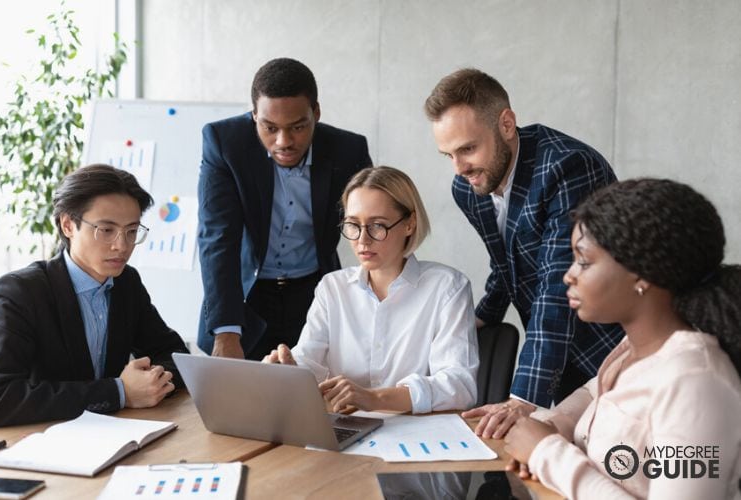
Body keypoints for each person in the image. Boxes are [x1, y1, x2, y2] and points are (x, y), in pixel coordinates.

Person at [503, 178, 741, 499]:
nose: (568, 275)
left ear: (642, 273)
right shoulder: (634, 347)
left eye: (584, 261)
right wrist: (552, 423)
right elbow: (597, 394)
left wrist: (547, 452)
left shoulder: (695, 382)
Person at [424, 68, 625, 436]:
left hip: (608, 349)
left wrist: (522, 397)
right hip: (553, 360)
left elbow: (557, 284)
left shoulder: (567, 167)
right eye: (448, 154)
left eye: (468, 148)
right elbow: (507, 261)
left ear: (506, 123)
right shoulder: (468, 187)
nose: (460, 167)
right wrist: (481, 315)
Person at [0, 165, 189, 430]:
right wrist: (118, 392)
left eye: (132, 231)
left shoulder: (125, 282)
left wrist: (151, 381)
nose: (122, 245)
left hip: (109, 437)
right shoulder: (20, 293)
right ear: (68, 225)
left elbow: (175, 356)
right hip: (37, 447)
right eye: (106, 230)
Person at [263, 166, 478, 414]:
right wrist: (287, 368)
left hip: (413, 435)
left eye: (377, 225)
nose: (362, 240)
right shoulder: (333, 288)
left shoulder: (447, 288)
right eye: (353, 225)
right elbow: (309, 360)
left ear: (409, 224)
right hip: (343, 428)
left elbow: (459, 386)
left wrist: (375, 399)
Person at [197, 57, 372, 361]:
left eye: (298, 127)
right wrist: (226, 331)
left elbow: (373, 225)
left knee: (312, 399)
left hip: (314, 293)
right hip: (248, 296)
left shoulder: (348, 150)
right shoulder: (225, 143)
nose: (283, 141)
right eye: (270, 128)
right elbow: (217, 238)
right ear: (254, 116)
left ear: (316, 113)